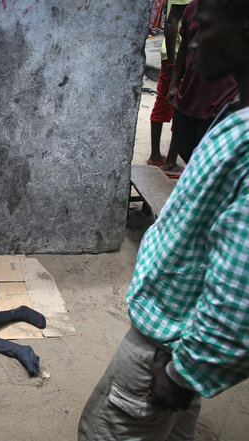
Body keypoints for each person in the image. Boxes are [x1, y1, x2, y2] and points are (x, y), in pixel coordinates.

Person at [78, 0, 249, 438]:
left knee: (103, 431)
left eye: (203, 27)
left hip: (166, 347)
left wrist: (185, 371)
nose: (190, 40)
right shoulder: (236, 111)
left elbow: (241, 291)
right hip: (177, 335)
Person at [160, 0, 238, 177]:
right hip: (190, 95)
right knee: (187, 148)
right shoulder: (192, 8)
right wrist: (173, 85)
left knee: (211, 163)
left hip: (222, 100)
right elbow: (185, 49)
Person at [147, 0, 192, 167]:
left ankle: (159, 156)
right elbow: (172, 21)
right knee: (179, 106)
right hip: (179, 54)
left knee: (168, 101)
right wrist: (173, 62)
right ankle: (170, 161)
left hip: (176, 54)